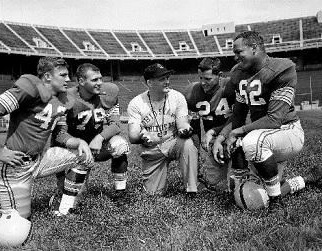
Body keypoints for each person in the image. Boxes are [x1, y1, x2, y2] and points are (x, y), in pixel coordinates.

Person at [0, 57, 94, 234]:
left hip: (38, 161)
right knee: (15, 233)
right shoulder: (29, 87)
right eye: (63, 75)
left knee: (84, 157)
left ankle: (63, 207)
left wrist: (79, 142)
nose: (68, 79)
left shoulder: (63, 99)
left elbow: (60, 135)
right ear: (47, 76)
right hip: (16, 166)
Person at [222, 31, 309, 199]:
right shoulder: (239, 73)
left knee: (251, 141)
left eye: (238, 52)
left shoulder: (282, 69)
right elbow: (239, 115)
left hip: (286, 131)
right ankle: (300, 181)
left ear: (254, 48)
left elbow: (274, 119)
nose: (235, 57)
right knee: (252, 198)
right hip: (261, 134)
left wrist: (237, 132)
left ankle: (276, 201)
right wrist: (228, 136)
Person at [50, 63, 130, 213]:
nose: (100, 83)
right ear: (81, 81)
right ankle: (63, 205)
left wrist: (100, 137)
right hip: (71, 147)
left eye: (100, 79)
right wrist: (79, 144)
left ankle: (121, 194)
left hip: (96, 145)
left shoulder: (108, 94)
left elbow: (116, 125)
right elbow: (59, 135)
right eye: (94, 80)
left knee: (120, 145)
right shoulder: (65, 98)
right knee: (75, 194)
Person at [127, 63, 206, 195]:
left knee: (187, 144)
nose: (167, 82)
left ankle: (191, 189)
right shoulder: (137, 103)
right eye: (161, 79)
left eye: (167, 78)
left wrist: (184, 129)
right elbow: (132, 136)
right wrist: (142, 136)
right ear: (150, 83)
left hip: (172, 142)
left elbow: (182, 124)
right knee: (153, 195)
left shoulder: (177, 97)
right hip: (152, 148)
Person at [183, 57, 234, 191]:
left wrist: (216, 131)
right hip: (212, 142)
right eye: (200, 78)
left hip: (234, 135)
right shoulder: (192, 91)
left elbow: (241, 118)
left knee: (234, 185)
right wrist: (196, 151)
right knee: (216, 185)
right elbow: (193, 127)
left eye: (208, 79)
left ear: (220, 75)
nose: (203, 83)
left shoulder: (231, 87)